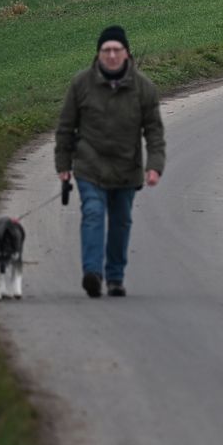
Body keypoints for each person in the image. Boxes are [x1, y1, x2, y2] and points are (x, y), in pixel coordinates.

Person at [55, 26, 165, 298]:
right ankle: (92, 274)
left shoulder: (143, 88)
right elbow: (66, 127)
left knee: (121, 221)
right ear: (99, 53)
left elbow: (154, 131)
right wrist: (63, 165)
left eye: (117, 50)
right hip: (89, 166)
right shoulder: (81, 84)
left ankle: (115, 277)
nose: (112, 55)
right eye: (107, 50)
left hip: (127, 168)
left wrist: (154, 166)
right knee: (93, 213)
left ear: (127, 53)